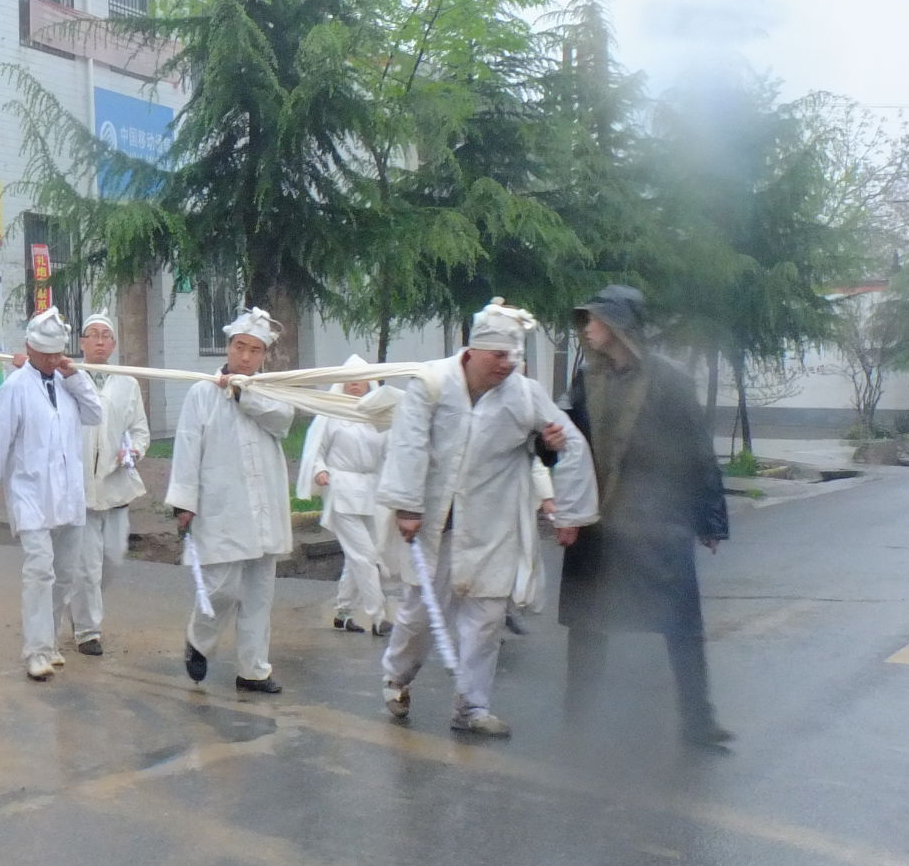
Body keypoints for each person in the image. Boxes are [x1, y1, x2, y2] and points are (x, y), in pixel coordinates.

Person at [378, 299, 599, 738]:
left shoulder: (524, 394)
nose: (507, 364)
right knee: (420, 616)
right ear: (475, 350)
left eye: (514, 355)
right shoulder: (432, 383)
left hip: (493, 526)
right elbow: (408, 443)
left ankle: (471, 708)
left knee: (486, 620)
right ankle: (396, 677)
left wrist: (569, 508)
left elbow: (567, 444)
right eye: (499, 355)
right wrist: (407, 505)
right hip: (435, 525)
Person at [558, 285, 734, 748]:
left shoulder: (670, 379)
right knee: (587, 625)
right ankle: (576, 724)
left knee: (681, 626)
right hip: (600, 518)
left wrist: (710, 516)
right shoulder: (586, 379)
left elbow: (697, 448)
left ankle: (699, 722)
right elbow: (570, 442)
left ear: (617, 326)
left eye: (594, 319)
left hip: (658, 519)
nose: (587, 328)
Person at [167, 309, 296, 693]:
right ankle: (199, 640)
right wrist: (183, 501)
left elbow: (283, 421)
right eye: (240, 347)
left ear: (263, 356)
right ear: (228, 347)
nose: (246, 357)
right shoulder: (202, 392)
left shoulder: (272, 389)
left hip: (264, 504)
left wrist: (246, 395)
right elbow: (187, 447)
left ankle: (253, 669)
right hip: (222, 504)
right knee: (221, 587)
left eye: (255, 350)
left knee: (259, 593)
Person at [0, 307, 103, 682]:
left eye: (56, 354)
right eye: (44, 354)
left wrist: (76, 377)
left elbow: (95, 414)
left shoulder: (67, 381)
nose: (50, 360)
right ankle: (36, 651)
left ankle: (50, 641)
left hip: (69, 494)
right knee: (39, 571)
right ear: (28, 348)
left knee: (65, 574)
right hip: (29, 493)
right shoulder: (14, 388)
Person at [297, 354, 400, 636]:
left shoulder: (378, 414)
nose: (355, 384)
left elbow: (390, 451)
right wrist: (319, 470)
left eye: (360, 379)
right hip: (341, 488)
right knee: (364, 556)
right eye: (350, 380)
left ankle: (342, 613)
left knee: (362, 555)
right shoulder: (332, 413)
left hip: (372, 491)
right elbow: (316, 448)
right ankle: (379, 616)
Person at [70, 314, 149, 657]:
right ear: (83, 343)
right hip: (81, 487)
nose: (100, 342)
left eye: (107, 336)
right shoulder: (69, 379)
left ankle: (81, 607)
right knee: (87, 566)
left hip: (116, 485)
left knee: (113, 558)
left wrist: (134, 449)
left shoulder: (127, 383)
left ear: (114, 345)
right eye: (93, 336)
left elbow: (140, 429)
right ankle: (87, 630)